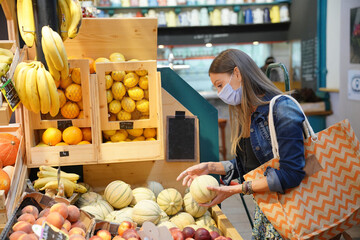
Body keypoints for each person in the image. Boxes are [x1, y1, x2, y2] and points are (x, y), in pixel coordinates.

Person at [177, 49, 306, 240]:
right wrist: (211, 166)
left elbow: (292, 174)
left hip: (295, 214)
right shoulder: (248, 113)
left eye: (220, 85)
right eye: (216, 88)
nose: (220, 93)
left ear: (237, 73)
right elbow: (250, 166)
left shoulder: (282, 108)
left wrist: (237, 189)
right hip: (270, 212)